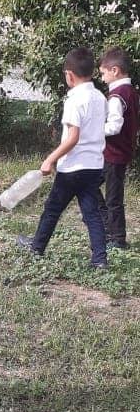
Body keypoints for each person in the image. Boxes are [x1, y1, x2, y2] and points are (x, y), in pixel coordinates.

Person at [18, 47, 108, 269]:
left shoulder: (74, 100)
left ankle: (37, 247)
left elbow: (73, 137)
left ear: (69, 75)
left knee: (52, 209)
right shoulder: (100, 98)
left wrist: (50, 159)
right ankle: (100, 259)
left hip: (72, 168)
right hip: (94, 166)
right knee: (92, 213)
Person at [97, 46, 139, 250]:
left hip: (114, 154)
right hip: (119, 153)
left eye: (103, 73)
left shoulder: (117, 96)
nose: (102, 78)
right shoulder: (132, 92)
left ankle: (117, 238)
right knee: (90, 185)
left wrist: (93, 130)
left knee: (113, 198)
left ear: (115, 70)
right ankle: (108, 229)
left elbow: (114, 127)